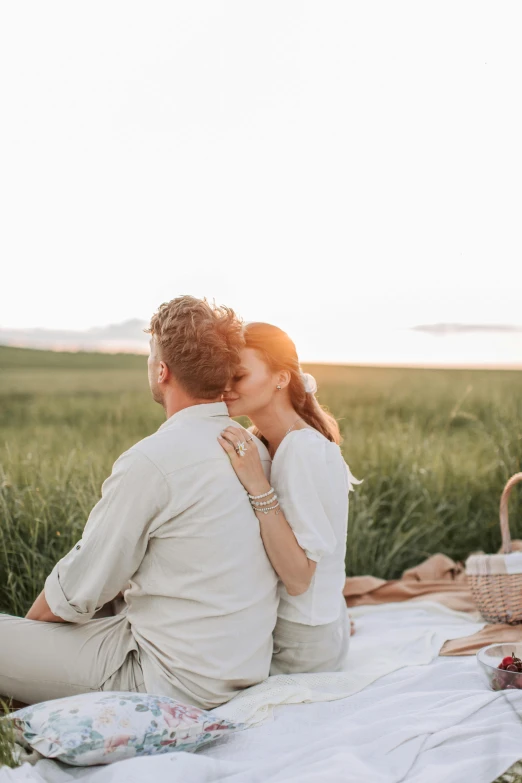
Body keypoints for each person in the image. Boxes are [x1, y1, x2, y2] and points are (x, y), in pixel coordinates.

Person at [0, 297, 279, 709]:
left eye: (152, 356)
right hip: (239, 666)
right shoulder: (254, 450)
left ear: (161, 370)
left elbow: (81, 586)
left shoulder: (152, 461)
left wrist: (29, 640)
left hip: (168, 678)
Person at [219, 322, 361, 675]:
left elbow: (298, 580)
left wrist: (257, 485)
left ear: (281, 378)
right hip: (319, 627)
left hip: (301, 645)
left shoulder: (301, 449)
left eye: (238, 376)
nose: (225, 386)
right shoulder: (272, 440)